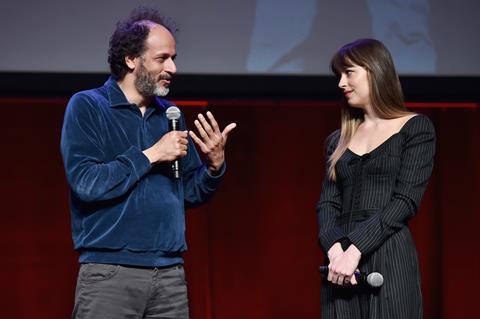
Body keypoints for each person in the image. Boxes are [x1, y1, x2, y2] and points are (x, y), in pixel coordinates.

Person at [60, 7, 236, 318]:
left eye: (174, 58)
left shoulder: (171, 115)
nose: (173, 67)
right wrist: (151, 154)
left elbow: (188, 193)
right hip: (110, 273)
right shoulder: (88, 106)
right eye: (162, 58)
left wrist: (213, 167)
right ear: (131, 59)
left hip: (169, 275)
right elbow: (87, 183)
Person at [316, 38, 435, 318]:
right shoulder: (337, 140)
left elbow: (405, 201)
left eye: (349, 73)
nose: (341, 84)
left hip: (388, 254)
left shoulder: (415, 129)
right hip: (340, 264)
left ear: (373, 70)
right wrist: (335, 251)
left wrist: (356, 248)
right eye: (339, 76)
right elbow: (327, 205)